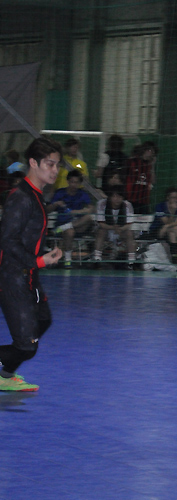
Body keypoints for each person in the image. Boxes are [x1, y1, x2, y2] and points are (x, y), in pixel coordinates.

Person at [0, 137, 63, 391]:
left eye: (57, 165)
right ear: (33, 163)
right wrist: (39, 260)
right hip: (12, 277)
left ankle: (4, 376)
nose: (55, 170)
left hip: (28, 274)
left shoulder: (37, 196)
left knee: (43, 320)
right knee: (26, 346)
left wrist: (43, 258)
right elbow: (7, 240)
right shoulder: (21, 197)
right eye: (50, 164)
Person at [47, 170, 95, 268]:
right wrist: (56, 204)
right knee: (70, 232)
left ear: (80, 183)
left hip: (78, 225)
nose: (74, 185)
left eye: (76, 182)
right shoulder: (60, 193)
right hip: (62, 223)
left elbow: (91, 209)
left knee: (89, 217)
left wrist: (77, 212)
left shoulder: (83, 194)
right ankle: (68, 260)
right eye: (72, 182)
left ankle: (65, 227)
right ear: (68, 181)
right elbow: (47, 210)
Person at [92, 185, 137, 269]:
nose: (117, 199)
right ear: (110, 197)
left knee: (129, 233)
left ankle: (131, 261)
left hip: (121, 231)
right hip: (107, 229)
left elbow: (128, 224)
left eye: (120, 196)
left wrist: (120, 229)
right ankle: (97, 259)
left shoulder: (127, 205)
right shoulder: (102, 204)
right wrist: (113, 227)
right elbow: (101, 224)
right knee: (101, 231)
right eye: (114, 196)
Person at [150, 187, 177, 260]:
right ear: (167, 197)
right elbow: (166, 222)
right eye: (173, 197)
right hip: (158, 230)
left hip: (169, 229)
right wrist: (172, 211)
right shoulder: (159, 206)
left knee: (172, 233)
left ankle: (175, 258)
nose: (175, 200)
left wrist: (166, 226)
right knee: (176, 229)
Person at [126, 141, 157, 214]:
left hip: (144, 200)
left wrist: (152, 166)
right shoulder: (132, 161)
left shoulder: (149, 165)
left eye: (154, 152)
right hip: (131, 199)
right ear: (145, 150)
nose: (152, 154)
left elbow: (153, 181)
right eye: (151, 151)